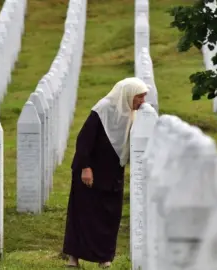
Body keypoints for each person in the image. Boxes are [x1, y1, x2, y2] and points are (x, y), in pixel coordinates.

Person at [62, 77, 149, 268]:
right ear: (127, 94)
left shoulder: (131, 113)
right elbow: (84, 139)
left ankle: (104, 257)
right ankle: (73, 257)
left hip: (112, 173)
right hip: (90, 171)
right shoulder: (103, 109)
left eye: (143, 97)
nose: (142, 102)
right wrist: (85, 168)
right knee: (83, 214)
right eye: (139, 97)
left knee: (109, 215)